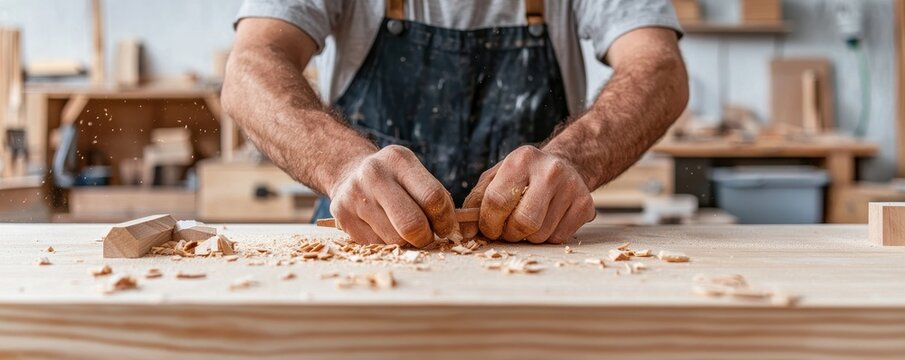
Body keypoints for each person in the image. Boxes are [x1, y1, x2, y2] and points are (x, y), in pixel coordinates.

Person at [222, 0, 689, 248]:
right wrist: (341, 164)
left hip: (533, 250)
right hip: (368, 242)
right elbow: (250, 68)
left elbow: (659, 69)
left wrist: (575, 159)